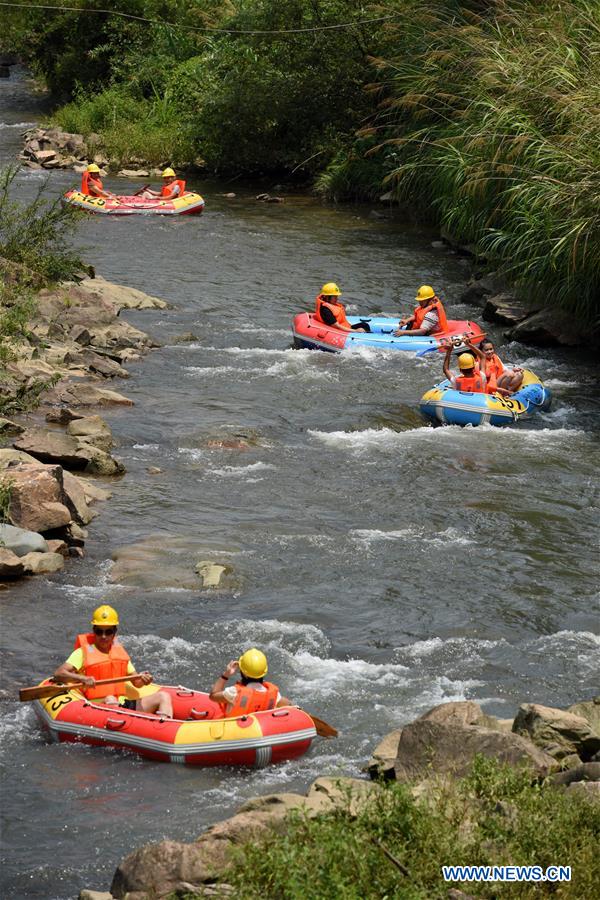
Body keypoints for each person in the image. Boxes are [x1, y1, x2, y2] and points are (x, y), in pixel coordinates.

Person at [53, 604, 173, 717]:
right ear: (94, 631)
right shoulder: (82, 653)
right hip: (97, 707)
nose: (103, 636)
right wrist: (82, 678)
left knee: (164, 696)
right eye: (99, 631)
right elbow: (59, 674)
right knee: (111, 699)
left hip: (122, 704)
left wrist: (144, 680)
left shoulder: (120, 654)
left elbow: (137, 683)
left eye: (108, 632)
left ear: (114, 632)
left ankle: (163, 726)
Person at [209, 648, 291, 718]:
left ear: (244, 673)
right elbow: (289, 704)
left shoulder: (234, 692)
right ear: (263, 672)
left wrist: (226, 675)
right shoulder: (274, 695)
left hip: (235, 729)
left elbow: (213, 695)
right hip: (260, 728)